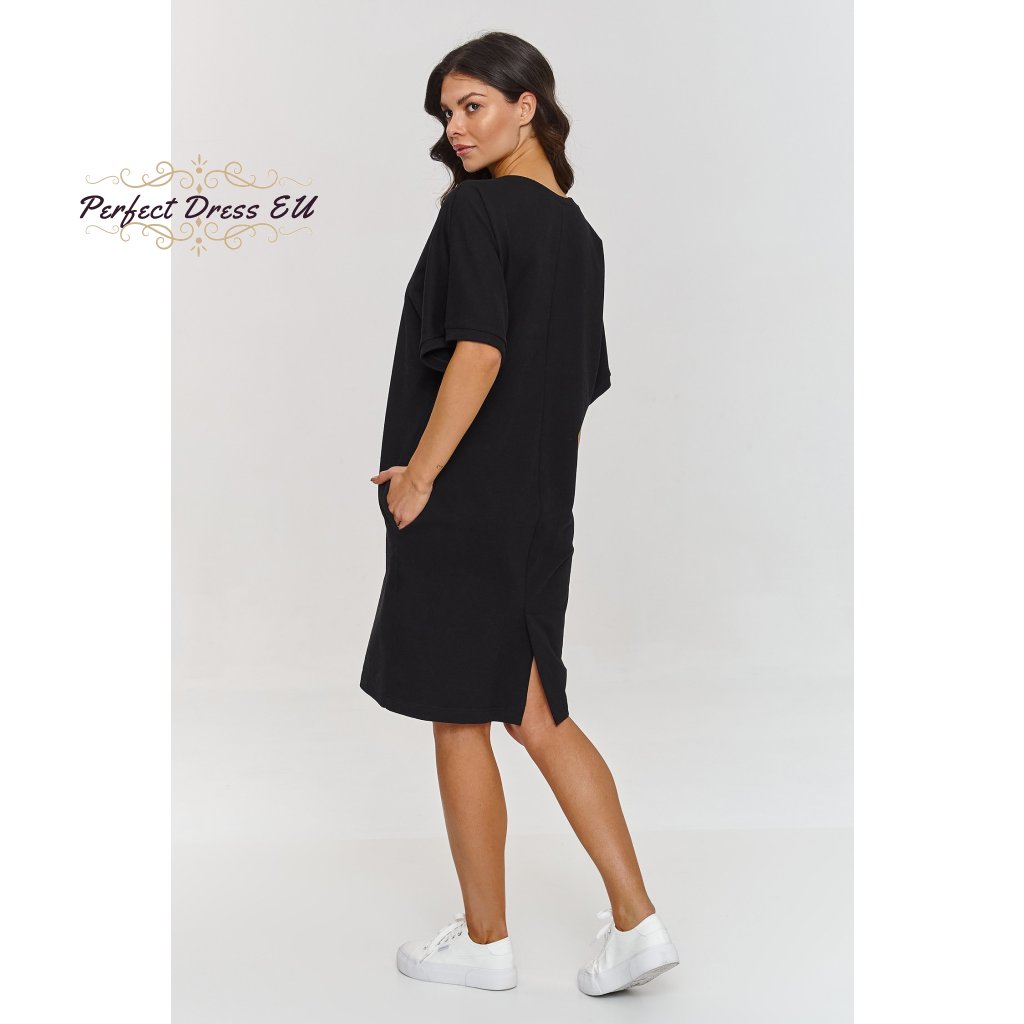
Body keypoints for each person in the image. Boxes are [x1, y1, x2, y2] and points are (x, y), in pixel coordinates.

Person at [359, 31, 680, 996]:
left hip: (463, 503)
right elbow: (577, 388)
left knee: (461, 715)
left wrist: (420, 475)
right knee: (537, 715)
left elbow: (481, 351)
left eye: (474, 106)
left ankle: (486, 943)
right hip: (539, 508)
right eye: (447, 114)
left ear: (526, 105)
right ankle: (637, 923)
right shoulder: (580, 238)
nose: (457, 129)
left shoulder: (478, 212)